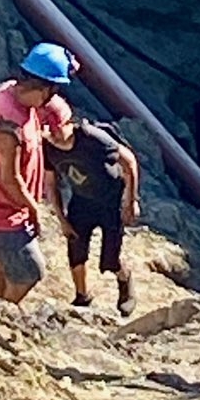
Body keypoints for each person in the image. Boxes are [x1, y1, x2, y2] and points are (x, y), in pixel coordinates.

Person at [0, 43, 75, 304]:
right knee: (30, 272)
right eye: (53, 92)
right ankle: (2, 310)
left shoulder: (10, 94)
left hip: (3, 205)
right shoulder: (8, 125)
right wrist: (33, 209)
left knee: (6, 262)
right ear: (44, 88)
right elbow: (9, 177)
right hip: (4, 209)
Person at [46, 115, 142, 315]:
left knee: (110, 259)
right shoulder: (48, 148)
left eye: (57, 129)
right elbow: (50, 183)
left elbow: (129, 162)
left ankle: (124, 279)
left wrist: (130, 201)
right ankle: (82, 295)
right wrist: (61, 219)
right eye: (49, 130)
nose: (54, 135)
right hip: (81, 200)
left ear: (68, 124)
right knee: (75, 247)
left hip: (110, 201)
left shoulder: (92, 138)